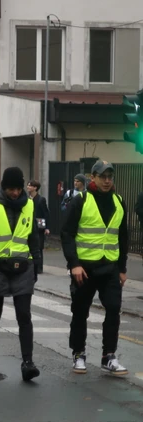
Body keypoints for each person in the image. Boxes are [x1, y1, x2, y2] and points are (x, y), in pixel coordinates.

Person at [61, 160, 129, 376]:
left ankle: (108, 355)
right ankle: (78, 353)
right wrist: (75, 264)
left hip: (109, 267)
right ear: (93, 177)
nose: (107, 181)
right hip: (85, 269)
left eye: (110, 177)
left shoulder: (119, 201)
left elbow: (123, 237)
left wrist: (122, 268)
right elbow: (67, 233)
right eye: (103, 177)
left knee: (113, 309)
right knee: (80, 312)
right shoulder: (81, 200)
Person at [0, 167, 41, 381]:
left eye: (18, 188)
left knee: (24, 315)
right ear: (4, 187)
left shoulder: (29, 204)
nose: (15, 193)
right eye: (11, 189)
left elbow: (32, 236)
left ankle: (28, 362)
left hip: (23, 266)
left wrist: (37, 262)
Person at [27, 180, 50, 275]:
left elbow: (46, 214)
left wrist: (47, 228)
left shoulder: (41, 200)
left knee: (39, 246)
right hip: (29, 226)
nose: (28, 187)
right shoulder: (27, 199)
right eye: (28, 185)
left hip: (39, 226)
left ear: (35, 188)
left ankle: (39, 267)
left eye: (30, 185)